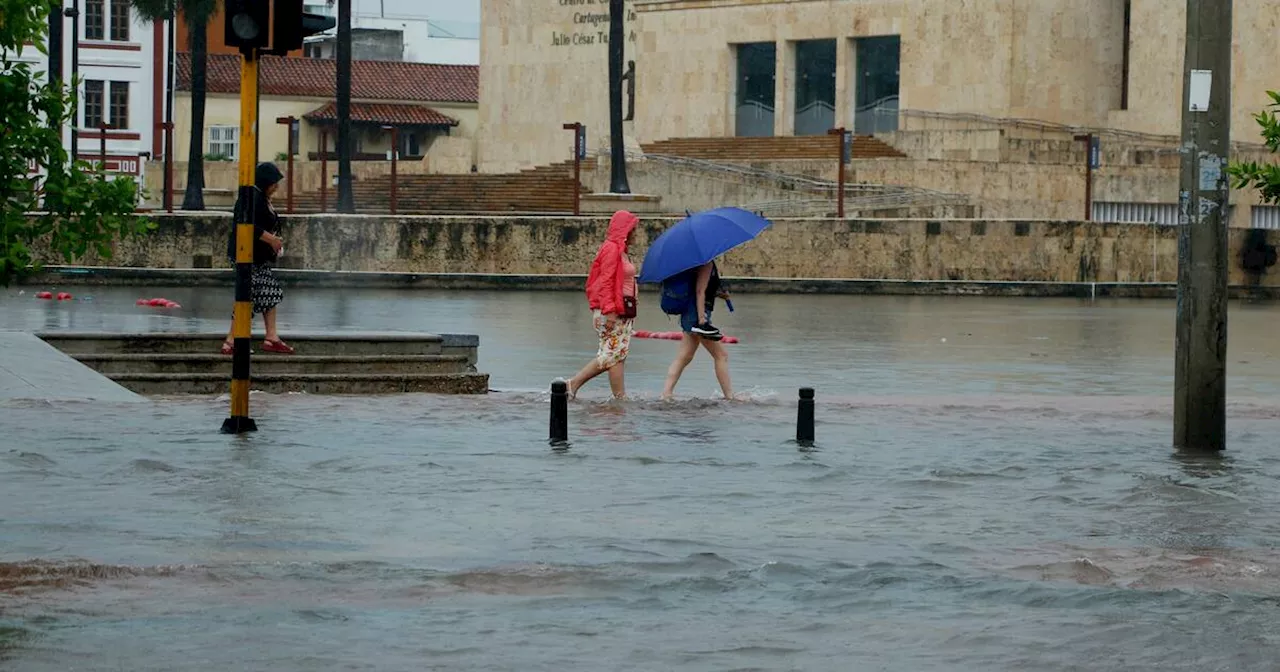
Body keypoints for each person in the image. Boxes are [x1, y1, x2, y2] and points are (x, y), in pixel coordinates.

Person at [220, 162, 293, 355]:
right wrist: (271, 240)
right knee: (248, 295)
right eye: (274, 183)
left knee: (268, 292)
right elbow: (245, 225)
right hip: (246, 256)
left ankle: (271, 337)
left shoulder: (261, 198)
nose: (276, 187)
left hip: (257, 257)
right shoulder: (250, 198)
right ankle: (233, 340)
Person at [566, 210, 640, 400]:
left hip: (623, 311)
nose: (636, 234)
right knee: (609, 355)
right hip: (613, 311)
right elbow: (605, 282)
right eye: (633, 230)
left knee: (618, 355)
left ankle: (620, 397)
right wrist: (609, 312)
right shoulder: (611, 249)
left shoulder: (621, 251)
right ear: (625, 230)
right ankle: (573, 383)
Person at [661, 260, 734, 400]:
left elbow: (701, 289)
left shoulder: (693, 263)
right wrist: (701, 320)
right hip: (697, 316)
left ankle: (666, 394)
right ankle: (729, 397)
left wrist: (720, 294)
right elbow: (700, 291)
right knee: (721, 355)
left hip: (689, 315)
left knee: (684, 356)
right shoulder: (706, 263)